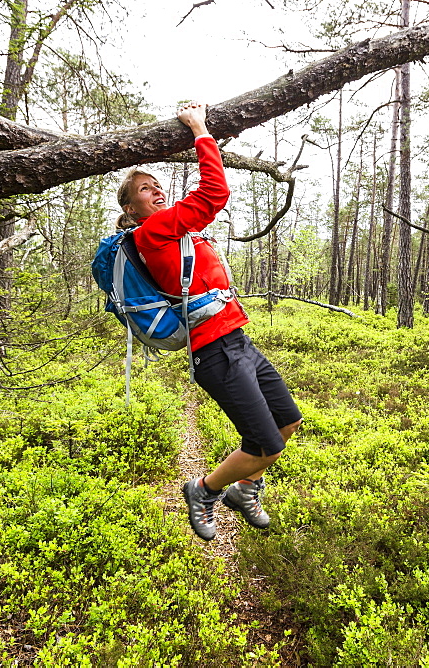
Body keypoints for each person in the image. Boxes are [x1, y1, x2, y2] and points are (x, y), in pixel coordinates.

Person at [114, 102, 302, 541]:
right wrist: (200, 129)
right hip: (214, 352)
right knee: (265, 444)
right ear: (131, 206)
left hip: (238, 339)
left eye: (157, 185)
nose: (156, 191)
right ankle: (203, 489)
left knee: (287, 422)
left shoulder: (176, 232)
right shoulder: (151, 233)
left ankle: (245, 488)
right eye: (144, 189)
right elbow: (214, 194)